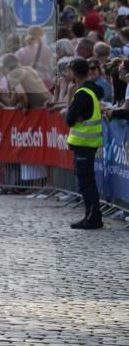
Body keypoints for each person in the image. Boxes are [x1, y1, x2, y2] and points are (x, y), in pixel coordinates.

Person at [64, 57, 104, 230]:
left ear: (73, 72)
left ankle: (93, 217)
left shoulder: (81, 94)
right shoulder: (89, 91)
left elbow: (69, 119)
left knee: (86, 182)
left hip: (84, 143)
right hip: (88, 143)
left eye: (68, 71)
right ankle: (91, 215)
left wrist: (73, 113)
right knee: (87, 181)